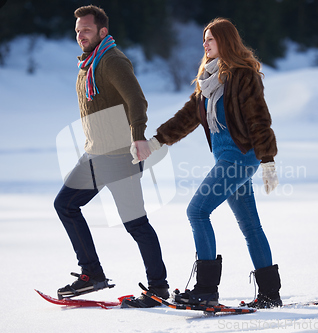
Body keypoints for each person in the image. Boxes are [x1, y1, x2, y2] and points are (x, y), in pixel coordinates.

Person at [134, 17, 282, 309]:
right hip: (226, 157)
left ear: (225, 41)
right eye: (204, 39)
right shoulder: (208, 81)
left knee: (197, 211)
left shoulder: (244, 76)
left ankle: (205, 289)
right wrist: (156, 141)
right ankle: (269, 294)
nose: (204, 44)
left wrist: (268, 160)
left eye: (210, 39)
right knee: (250, 226)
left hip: (240, 157)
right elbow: (188, 116)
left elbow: (259, 119)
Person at [53, 5, 168, 308]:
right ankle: (92, 273)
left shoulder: (112, 60)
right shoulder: (88, 65)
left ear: (102, 31)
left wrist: (139, 137)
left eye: (86, 30)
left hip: (118, 157)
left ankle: (158, 288)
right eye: (78, 31)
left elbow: (136, 100)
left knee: (135, 223)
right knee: (65, 204)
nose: (81, 35)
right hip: (95, 155)